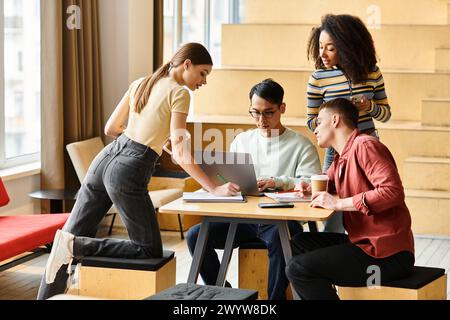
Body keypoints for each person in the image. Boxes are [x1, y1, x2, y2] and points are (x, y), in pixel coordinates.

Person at [37, 43, 240, 300]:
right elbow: (180, 151)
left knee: (64, 240)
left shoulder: (141, 83)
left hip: (105, 158)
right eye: (203, 73)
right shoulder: (180, 93)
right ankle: (76, 246)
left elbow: (111, 128)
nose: (204, 81)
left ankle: (53, 279)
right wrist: (214, 187)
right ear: (187, 64)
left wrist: (152, 139)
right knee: (147, 249)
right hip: (128, 170)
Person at [186, 79, 321, 300]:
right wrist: (223, 184)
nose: (261, 120)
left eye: (268, 112)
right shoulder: (242, 140)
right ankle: (226, 294)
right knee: (195, 236)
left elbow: (309, 182)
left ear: (282, 108)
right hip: (244, 218)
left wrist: (276, 181)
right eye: (255, 112)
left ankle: (274, 301)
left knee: (282, 237)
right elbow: (224, 174)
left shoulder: (300, 144)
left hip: (281, 219)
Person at [286, 98, 414, 300]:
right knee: (297, 243)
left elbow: (392, 191)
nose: (315, 128)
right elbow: (329, 184)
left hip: (387, 255)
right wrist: (309, 188)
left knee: (298, 269)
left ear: (335, 120)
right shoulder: (341, 157)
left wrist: (338, 203)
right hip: (362, 243)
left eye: (319, 121)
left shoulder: (365, 145)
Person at [306, 14, 392, 233]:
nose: (322, 54)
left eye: (330, 48)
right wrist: (333, 118)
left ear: (346, 46)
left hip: (368, 146)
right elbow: (311, 121)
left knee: (370, 198)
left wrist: (368, 107)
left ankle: (369, 243)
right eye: (320, 47)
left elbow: (385, 114)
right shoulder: (318, 78)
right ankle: (331, 247)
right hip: (336, 151)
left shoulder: (372, 73)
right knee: (330, 204)